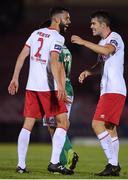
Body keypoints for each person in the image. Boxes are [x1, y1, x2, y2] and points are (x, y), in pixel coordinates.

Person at [8, 7, 73, 175]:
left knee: (27, 125)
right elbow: (53, 60)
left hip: (31, 86)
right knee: (63, 122)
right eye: (67, 18)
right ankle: (54, 163)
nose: (69, 22)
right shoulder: (58, 37)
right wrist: (59, 85)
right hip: (47, 88)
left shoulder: (35, 33)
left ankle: (21, 165)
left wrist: (15, 78)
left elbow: (22, 55)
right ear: (58, 20)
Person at [71, 10, 126, 176]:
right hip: (109, 90)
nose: (91, 26)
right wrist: (88, 72)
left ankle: (113, 164)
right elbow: (101, 64)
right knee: (110, 129)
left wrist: (83, 42)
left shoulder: (114, 37)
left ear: (103, 24)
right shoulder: (103, 41)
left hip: (113, 90)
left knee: (96, 124)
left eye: (93, 23)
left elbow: (107, 51)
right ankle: (114, 166)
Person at [40, 19, 79, 171]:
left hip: (56, 89)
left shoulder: (53, 49)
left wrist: (59, 89)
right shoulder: (65, 48)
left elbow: (59, 68)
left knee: (53, 127)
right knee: (62, 124)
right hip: (68, 88)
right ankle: (63, 161)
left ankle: (66, 156)